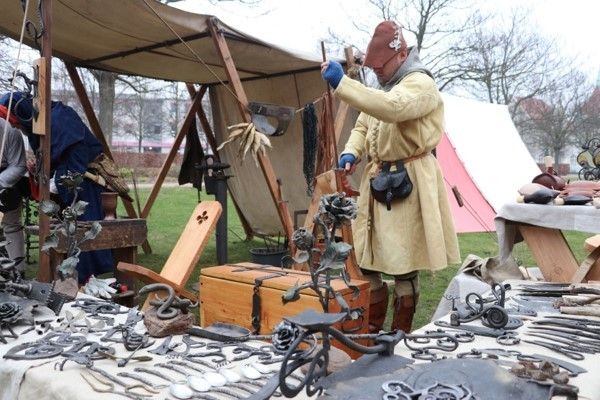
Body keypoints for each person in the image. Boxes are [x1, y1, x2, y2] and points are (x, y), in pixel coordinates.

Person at [321, 21, 460, 332]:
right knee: (367, 260)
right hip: (378, 179)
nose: (377, 72)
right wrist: (351, 152)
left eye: (380, 66)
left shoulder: (420, 85)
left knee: (403, 265)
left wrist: (343, 84)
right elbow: (363, 125)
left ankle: (400, 335)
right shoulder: (386, 89)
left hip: (409, 183)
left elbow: (392, 109)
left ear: (400, 56)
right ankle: (371, 331)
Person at [0, 91, 113, 284]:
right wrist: (41, 168)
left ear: (24, 112)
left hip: (83, 186)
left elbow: (76, 160)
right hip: (66, 187)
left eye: (14, 120)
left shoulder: (61, 120)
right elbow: (50, 155)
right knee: (67, 234)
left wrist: (54, 183)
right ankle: (70, 280)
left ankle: (87, 283)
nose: (14, 125)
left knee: (82, 232)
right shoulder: (37, 124)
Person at [0, 103, 28, 273]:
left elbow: (18, 165)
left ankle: (17, 273)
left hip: (7, 181)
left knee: (11, 226)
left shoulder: (10, 130)